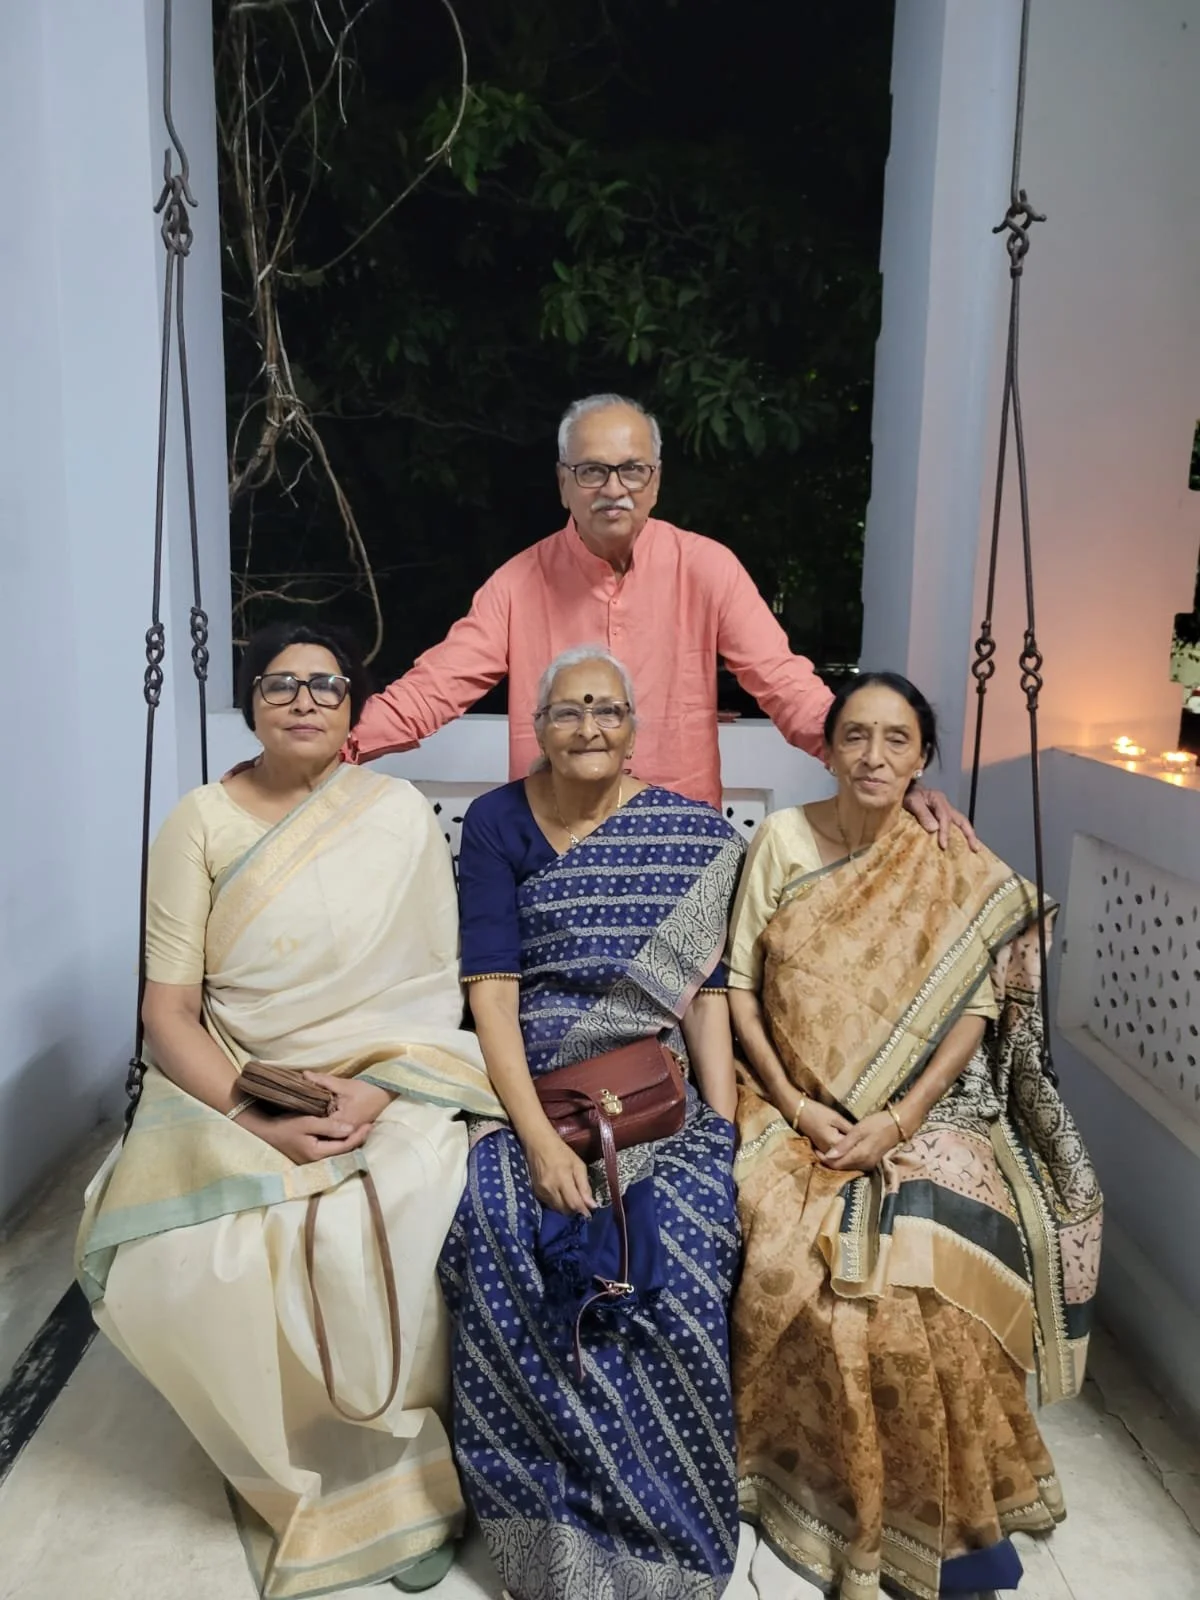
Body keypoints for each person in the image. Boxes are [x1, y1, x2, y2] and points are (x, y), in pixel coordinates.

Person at [77, 622, 504, 1598]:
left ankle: (406, 1467)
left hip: (389, 1069)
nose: (306, 699)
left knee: (404, 1201)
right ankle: (303, 1472)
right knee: (196, 1250)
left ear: (355, 706)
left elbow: (434, 992)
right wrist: (246, 1112)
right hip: (240, 1071)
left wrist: (384, 1085)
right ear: (253, 703)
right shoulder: (200, 818)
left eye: (327, 684)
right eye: (283, 684)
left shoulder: (396, 812)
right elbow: (168, 1011)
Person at [726, 672, 1103, 1600]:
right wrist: (801, 1107)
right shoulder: (779, 840)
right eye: (855, 736)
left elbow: (974, 1004)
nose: (874, 757)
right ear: (824, 749)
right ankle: (816, 1487)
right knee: (807, 1273)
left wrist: (897, 1120)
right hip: (785, 1107)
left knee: (928, 1285)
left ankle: (950, 1519)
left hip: (924, 1116)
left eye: (898, 741)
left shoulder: (945, 860)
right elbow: (736, 985)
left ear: (923, 759)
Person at [438, 645, 746, 1600]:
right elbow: (491, 990)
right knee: (495, 1229)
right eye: (568, 712)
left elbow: (705, 1001)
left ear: (634, 728)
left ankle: (664, 1529)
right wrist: (533, 1137)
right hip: (526, 1087)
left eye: (607, 712)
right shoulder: (496, 823)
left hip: (656, 1097)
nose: (589, 729)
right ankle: (549, 1529)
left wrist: (724, 1132)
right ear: (537, 724)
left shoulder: (690, 838)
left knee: (689, 1249)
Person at [344, 391, 968, 845]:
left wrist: (877, 771)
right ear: (563, 484)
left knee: (697, 1018)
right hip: (556, 838)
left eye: (632, 470)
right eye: (591, 471)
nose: (613, 488)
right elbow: (431, 690)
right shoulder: (517, 583)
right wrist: (332, 747)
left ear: (656, 480)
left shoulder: (707, 568)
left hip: (682, 841)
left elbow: (786, 686)